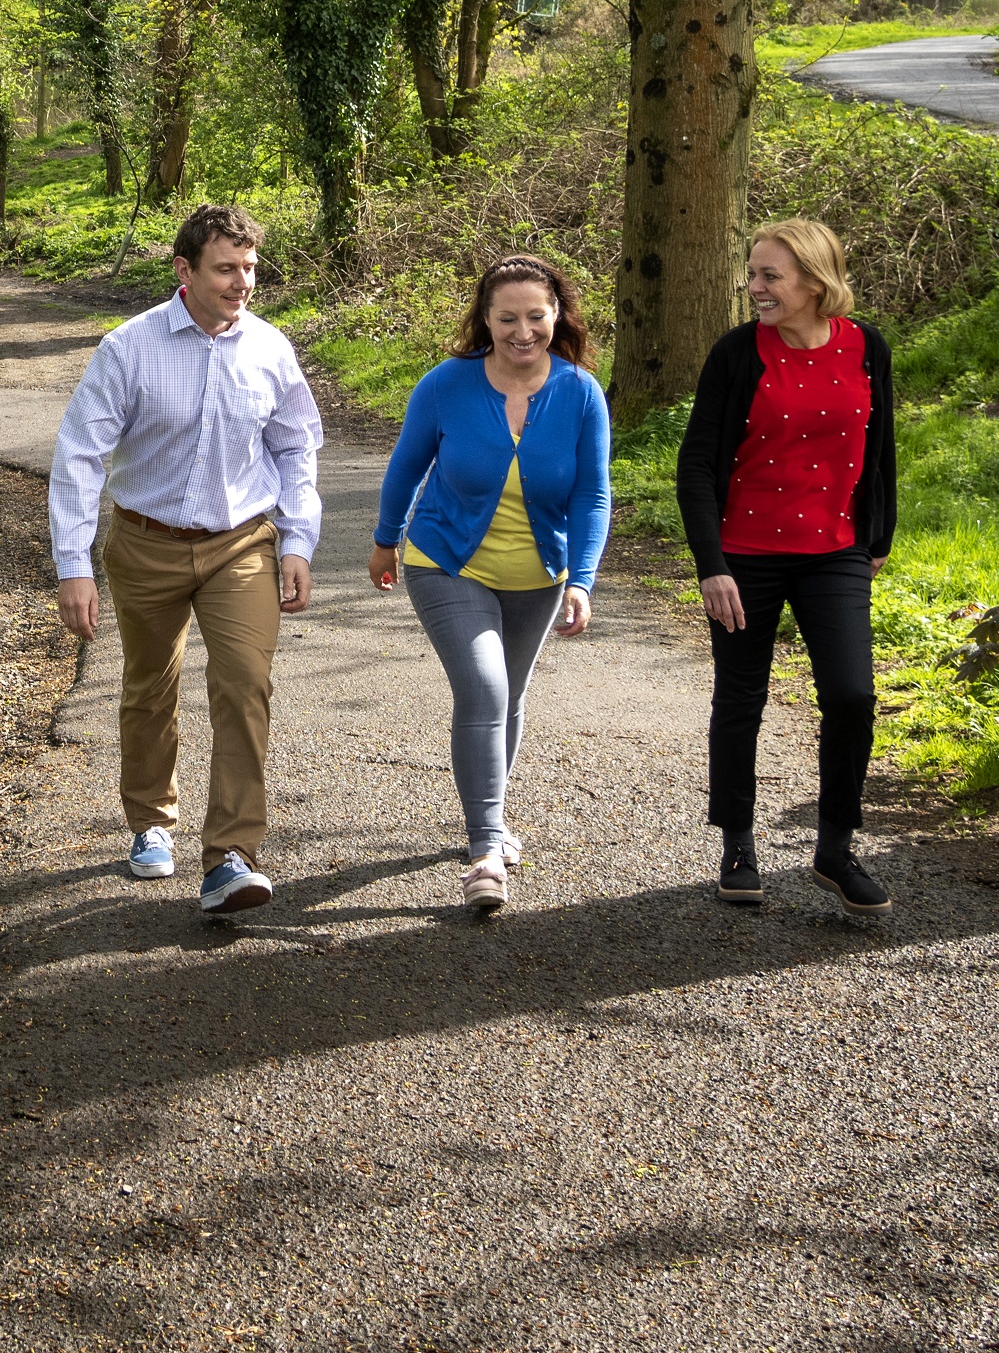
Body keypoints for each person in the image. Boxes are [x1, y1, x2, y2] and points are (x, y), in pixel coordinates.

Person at [52, 201, 327, 917]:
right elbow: (81, 456)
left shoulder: (269, 348)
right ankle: (148, 819)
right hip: (144, 544)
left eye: (249, 269)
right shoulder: (129, 347)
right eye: (225, 269)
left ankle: (231, 855)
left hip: (240, 543)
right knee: (150, 687)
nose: (242, 283)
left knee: (243, 684)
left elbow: (296, 448)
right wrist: (72, 566)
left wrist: (296, 541)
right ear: (184, 270)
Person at [368, 255, 610, 918]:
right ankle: (483, 848)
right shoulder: (447, 384)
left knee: (509, 694)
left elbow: (591, 496)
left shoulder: (580, 393)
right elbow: (407, 464)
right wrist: (386, 538)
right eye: (507, 318)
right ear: (485, 319)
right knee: (484, 686)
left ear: (557, 314)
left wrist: (581, 581)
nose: (522, 331)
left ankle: (491, 815)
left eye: (536, 316)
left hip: (538, 573)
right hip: (444, 559)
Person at [677, 217, 899, 914]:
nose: (755, 287)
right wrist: (711, 565)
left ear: (812, 278)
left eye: (769, 275)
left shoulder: (866, 347)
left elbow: (880, 448)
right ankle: (737, 845)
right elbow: (696, 465)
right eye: (752, 274)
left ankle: (834, 849)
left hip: (833, 550)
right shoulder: (739, 353)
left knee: (851, 697)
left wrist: (876, 540)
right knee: (741, 700)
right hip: (744, 554)